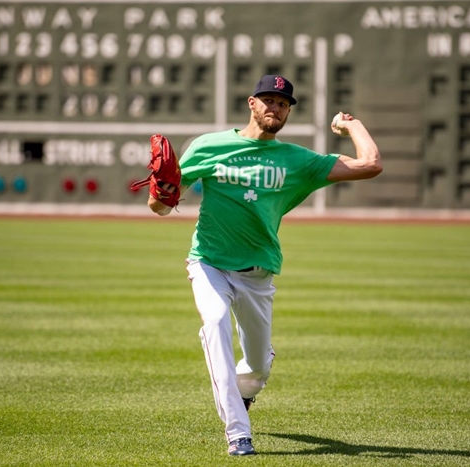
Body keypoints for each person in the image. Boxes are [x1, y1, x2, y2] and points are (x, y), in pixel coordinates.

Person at [147, 74, 382, 456]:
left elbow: (370, 164)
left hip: (258, 273)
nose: (276, 107)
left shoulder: (297, 161)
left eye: (283, 103)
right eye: (269, 99)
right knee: (215, 324)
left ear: (288, 112)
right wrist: (162, 193)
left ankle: (247, 386)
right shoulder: (209, 146)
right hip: (209, 263)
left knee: (256, 371)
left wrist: (351, 124)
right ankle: (238, 433)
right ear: (251, 103)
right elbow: (159, 207)